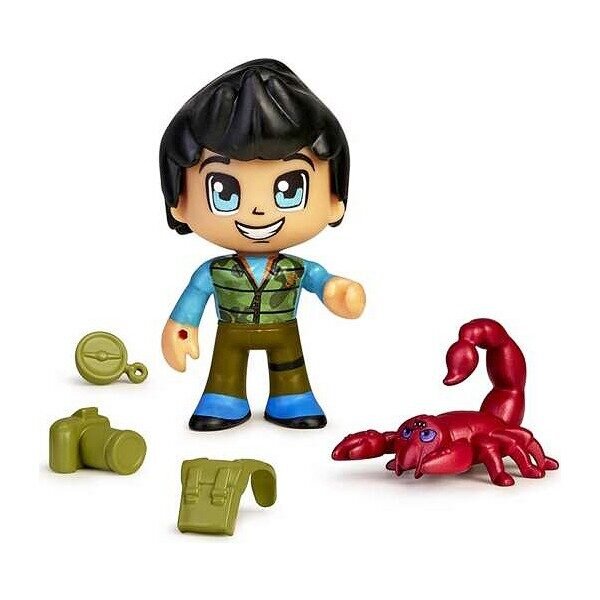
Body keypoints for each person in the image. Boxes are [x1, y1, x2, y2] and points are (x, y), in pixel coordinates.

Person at [160, 59, 365, 431]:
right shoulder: (214, 272)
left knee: (290, 368)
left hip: (283, 331)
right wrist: (182, 325)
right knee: (225, 368)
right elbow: (194, 298)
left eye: (290, 188)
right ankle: (223, 398)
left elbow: (322, 283)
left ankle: (293, 398)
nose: (258, 210)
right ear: (181, 202)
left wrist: (338, 291)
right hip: (230, 332)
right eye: (224, 191)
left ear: (334, 199)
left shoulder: (297, 269)